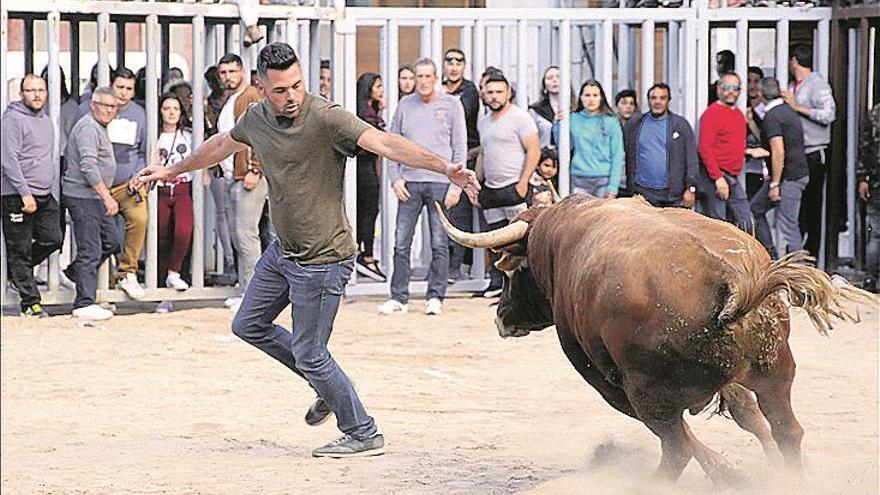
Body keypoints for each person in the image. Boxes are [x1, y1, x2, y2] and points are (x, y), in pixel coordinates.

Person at [132, 42, 479, 458]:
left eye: (297, 85)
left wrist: (445, 168)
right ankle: (326, 387)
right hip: (283, 252)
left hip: (324, 258)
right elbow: (223, 144)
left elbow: (386, 143)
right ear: (261, 87)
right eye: (280, 90)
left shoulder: (326, 117)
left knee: (311, 353)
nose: (291, 96)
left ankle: (362, 430)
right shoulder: (256, 118)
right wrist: (171, 169)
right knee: (248, 325)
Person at [378, 58, 467, 316]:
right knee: (401, 242)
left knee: (440, 243)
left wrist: (456, 185)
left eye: (428, 76)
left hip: (441, 182)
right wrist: (395, 178)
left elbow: (459, 146)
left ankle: (436, 296)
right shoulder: (404, 105)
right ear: (413, 79)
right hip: (410, 183)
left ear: (436, 77)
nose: (424, 81)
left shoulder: (452, 105)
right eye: (419, 76)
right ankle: (399, 297)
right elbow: (391, 144)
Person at [1, 74, 63, 317]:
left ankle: (16, 272)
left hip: (44, 193)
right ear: (21, 93)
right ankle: (30, 303)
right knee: (19, 248)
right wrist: (25, 193)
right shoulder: (13, 119)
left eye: (41, 90)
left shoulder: (46, 121)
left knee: (54, 238)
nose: (36, 95)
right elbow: (9, 159)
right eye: (30, 90)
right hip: (16, 194)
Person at [476, 73, 540, 297]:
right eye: (490, 92)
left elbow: (534, 149)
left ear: (508, 93)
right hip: (491, 191)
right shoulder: (484, 122)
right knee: (494, 239)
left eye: (498, 92)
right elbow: (483, 154)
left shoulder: (521, 118)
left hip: (515, 189)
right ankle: (498, 286)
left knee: (521, 243)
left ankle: (524, 291)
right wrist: (477, 183)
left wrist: (523, 182)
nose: (494, 97)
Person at [62, 87, 122, 321]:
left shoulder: (99, 127)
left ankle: (74, 273)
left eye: (113, 106)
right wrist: (106, 196)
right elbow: (88, 166)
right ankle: (84, 302)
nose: (109, 110)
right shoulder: (88, 127)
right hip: (83, 196)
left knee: (113, 241)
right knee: (90, 249)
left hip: (95, 196)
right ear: (93, 105)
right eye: (104, 105)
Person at [216, 53, 268, 310]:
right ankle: (246, 290)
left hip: (249, 176)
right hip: (233, 175)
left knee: (247, 236)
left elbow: (261, 133)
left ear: (243, 72)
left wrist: (255, 169)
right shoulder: (231, 100)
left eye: (232, 72)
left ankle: (252, 295)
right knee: (240, 237)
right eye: (223, 73)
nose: (227, 77)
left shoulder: (249, 96)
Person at [784, 43, 837, 259]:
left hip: (814, 153)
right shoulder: (794, 84)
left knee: (812, 207)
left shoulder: (817, 84)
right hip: (795, 154)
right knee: (795, 209)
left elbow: (829, 114)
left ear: (794, 60)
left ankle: (811, 258)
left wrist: (799, 108)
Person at [750, 77, 810, 259]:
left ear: (761, 94)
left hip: (788, 178)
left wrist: (775, 183)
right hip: (792, 174)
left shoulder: (772, 116)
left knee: (788, 224)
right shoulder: (786, 111)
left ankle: (802, 272)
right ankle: (772, 257)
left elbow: (778, 151)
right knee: (756, 208)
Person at [107, 67, 149, 300]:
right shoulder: (96, 108)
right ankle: (107, 283)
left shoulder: (139, 114)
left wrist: (137, 177)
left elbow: (143, 151)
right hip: (100, 186)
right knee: (106, 235)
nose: (123, 93)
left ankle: (127, 271)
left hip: (127, 184)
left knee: (139, 218)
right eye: (119, 87)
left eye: (128, 89)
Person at [623, 82, 698, 208]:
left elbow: (691, 158)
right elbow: (627, 154)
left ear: (668, 100)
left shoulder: (680, 125)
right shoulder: (635, 124)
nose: (657, 102)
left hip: (673, 195)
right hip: (643, 194)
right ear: (648, 100)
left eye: (662, 98)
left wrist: (691, 188)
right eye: (653, 98)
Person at [442, 48, 481, 284]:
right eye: (449, 61)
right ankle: (444, 266)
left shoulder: (469, 91)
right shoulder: (438, 91)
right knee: (443, 213)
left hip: (465, 158)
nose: (454, 65)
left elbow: (459, 114)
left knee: (461, 215)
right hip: (439, 161)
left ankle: (457, 267)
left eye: (459, 61)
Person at [696, 72, 753, 231]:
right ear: (718, 89)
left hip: (732, 177)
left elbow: (732, 142)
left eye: (735, 88)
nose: (731, 91)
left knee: (747, 222)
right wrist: (718, 178)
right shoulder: (711, 114)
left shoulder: (739, 115)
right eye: (726, 87)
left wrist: (748, 151)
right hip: (716, 176)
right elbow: (704, 148)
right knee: (718, 228)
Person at [155, 93, 195, 307]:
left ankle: (174, 272)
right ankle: (163, 294)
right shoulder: (155, 135)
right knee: (161, 239)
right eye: (166, 108)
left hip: (182, 188)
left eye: (175, 108)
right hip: (160, 191)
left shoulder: (188, 136)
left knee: (184, 231)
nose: (170, 112)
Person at [554, 79, 624, 198]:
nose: (591, 99)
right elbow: (563, 145)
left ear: (601, 98)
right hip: (579, 178)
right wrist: (557, 124)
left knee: (602, 216)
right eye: (587, 95)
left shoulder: (611, 121)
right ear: (580, 97)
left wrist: (613, 186)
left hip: (604, 179)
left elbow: (617, 155)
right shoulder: (573, 119)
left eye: (595, 95)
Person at [354, 72, 387, 282]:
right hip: (364, 169)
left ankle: (365, 253)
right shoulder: (365, 114)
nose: (382, 91)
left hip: (368, 168)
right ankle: (366, 256)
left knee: (368, 211)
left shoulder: (371, 110)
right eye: (378, 86)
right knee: (368, 211)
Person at [857, 103, 879, 292]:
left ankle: (870, 279)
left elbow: (864, 149)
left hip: (876, 180)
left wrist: (862, 178)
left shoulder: (875, 114)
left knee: (876, 233)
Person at [528, 66, 572, 149]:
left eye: (558, 77)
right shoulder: (535, 111)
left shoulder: (576, 109)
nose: (554, 80)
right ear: (544, 85)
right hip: (545, 157)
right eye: (549, 78)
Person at [745, 66, 769, 199]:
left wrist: (751, 122)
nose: (752, 86)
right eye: (749, 81)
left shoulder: (767, 110)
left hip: (760, 169)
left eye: (756, 81)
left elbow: (767, 140)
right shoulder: (738, 107)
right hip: (742, 168)